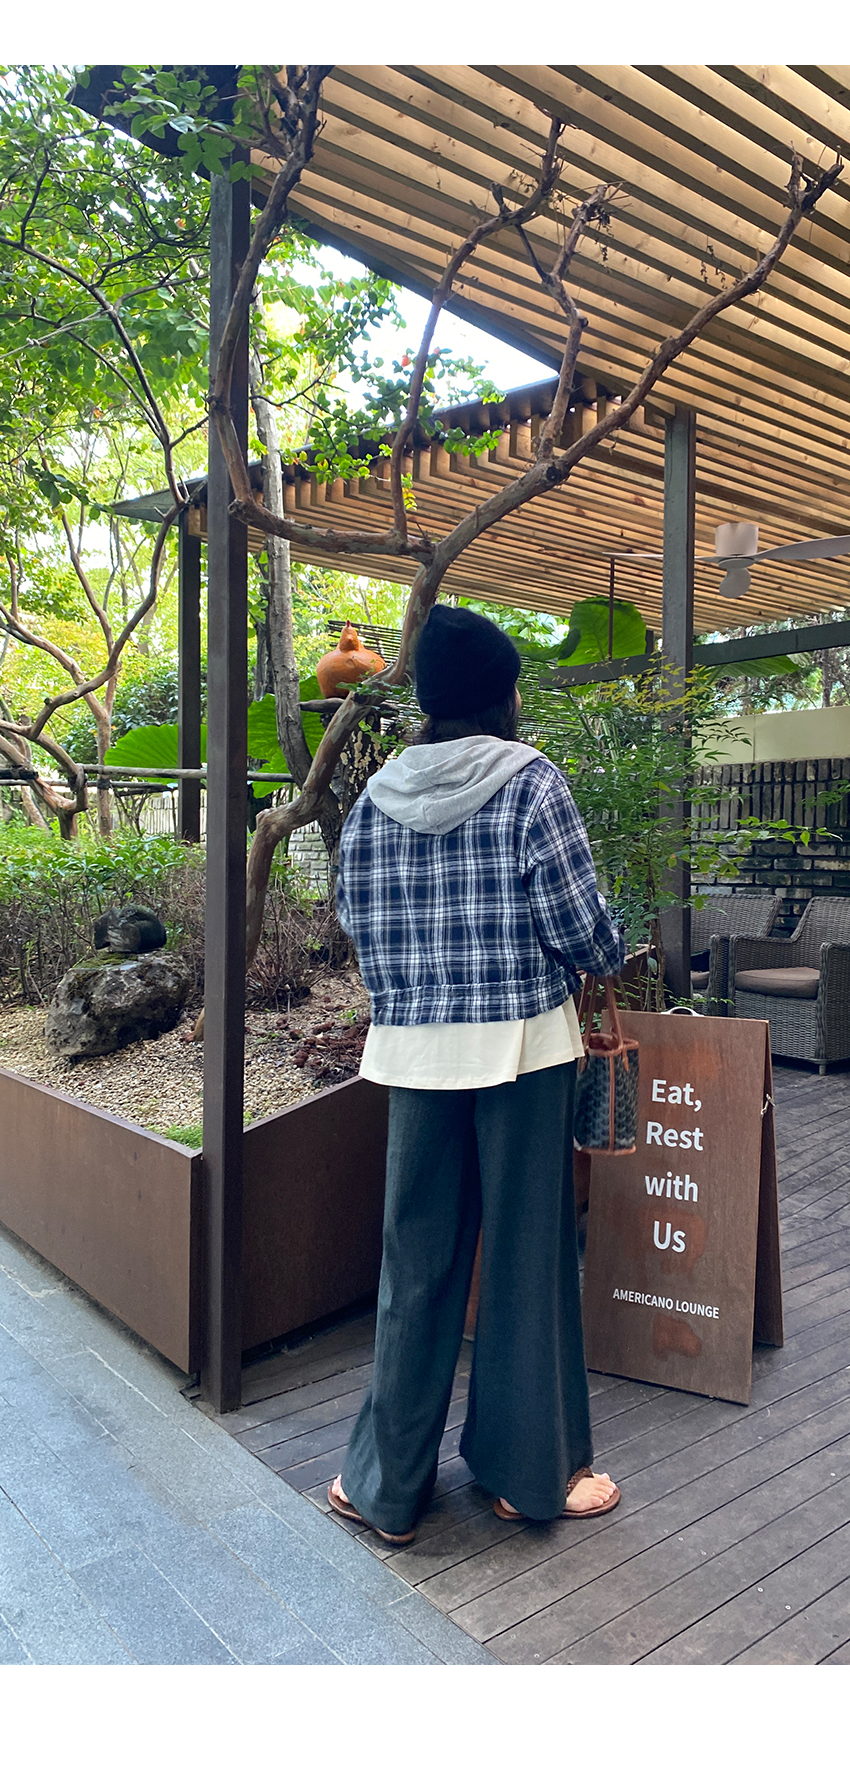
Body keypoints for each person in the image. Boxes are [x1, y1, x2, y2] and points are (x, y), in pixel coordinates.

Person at [327, 605, 624, 1546]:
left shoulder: (375, 799)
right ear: (503, 696)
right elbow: (581, 928)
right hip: (523, 1053)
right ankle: (529, 1475)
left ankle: (384, 1487)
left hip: (415, 1055)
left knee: (415, 1261)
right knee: (529, 1258)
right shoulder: (531, 782)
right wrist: (610, 946)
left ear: (428, 700)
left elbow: (352, 916)